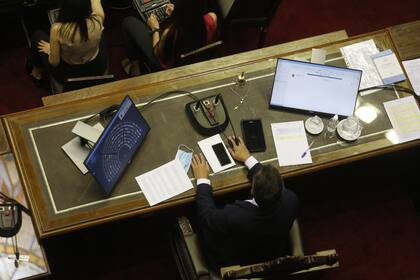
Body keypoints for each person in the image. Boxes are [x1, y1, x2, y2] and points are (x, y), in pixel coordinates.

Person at [191, 136, 299, 270]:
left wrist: (202, 180)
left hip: (232, 261)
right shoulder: (291, 200)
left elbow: (206, 217)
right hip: (268, 250)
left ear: (252, 190)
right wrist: (247, 158)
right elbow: (271, 182)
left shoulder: (234, 216)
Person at [121, 0, 217, 76]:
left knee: (128, 22)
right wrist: (178, 15)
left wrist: (155, 28)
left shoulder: (170, 34)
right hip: (194, 61)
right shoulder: (212, 18)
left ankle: (135, 68)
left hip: (167, 66)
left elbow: (156, 51)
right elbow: (190, 21)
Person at [26, 0, 107, 84]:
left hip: (70, 72)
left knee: (37, 36)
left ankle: (37, 73)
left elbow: (54, 62)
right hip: (96, 66)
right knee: (101, 33)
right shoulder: (98, 18)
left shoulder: (57, 29)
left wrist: (50, 50)